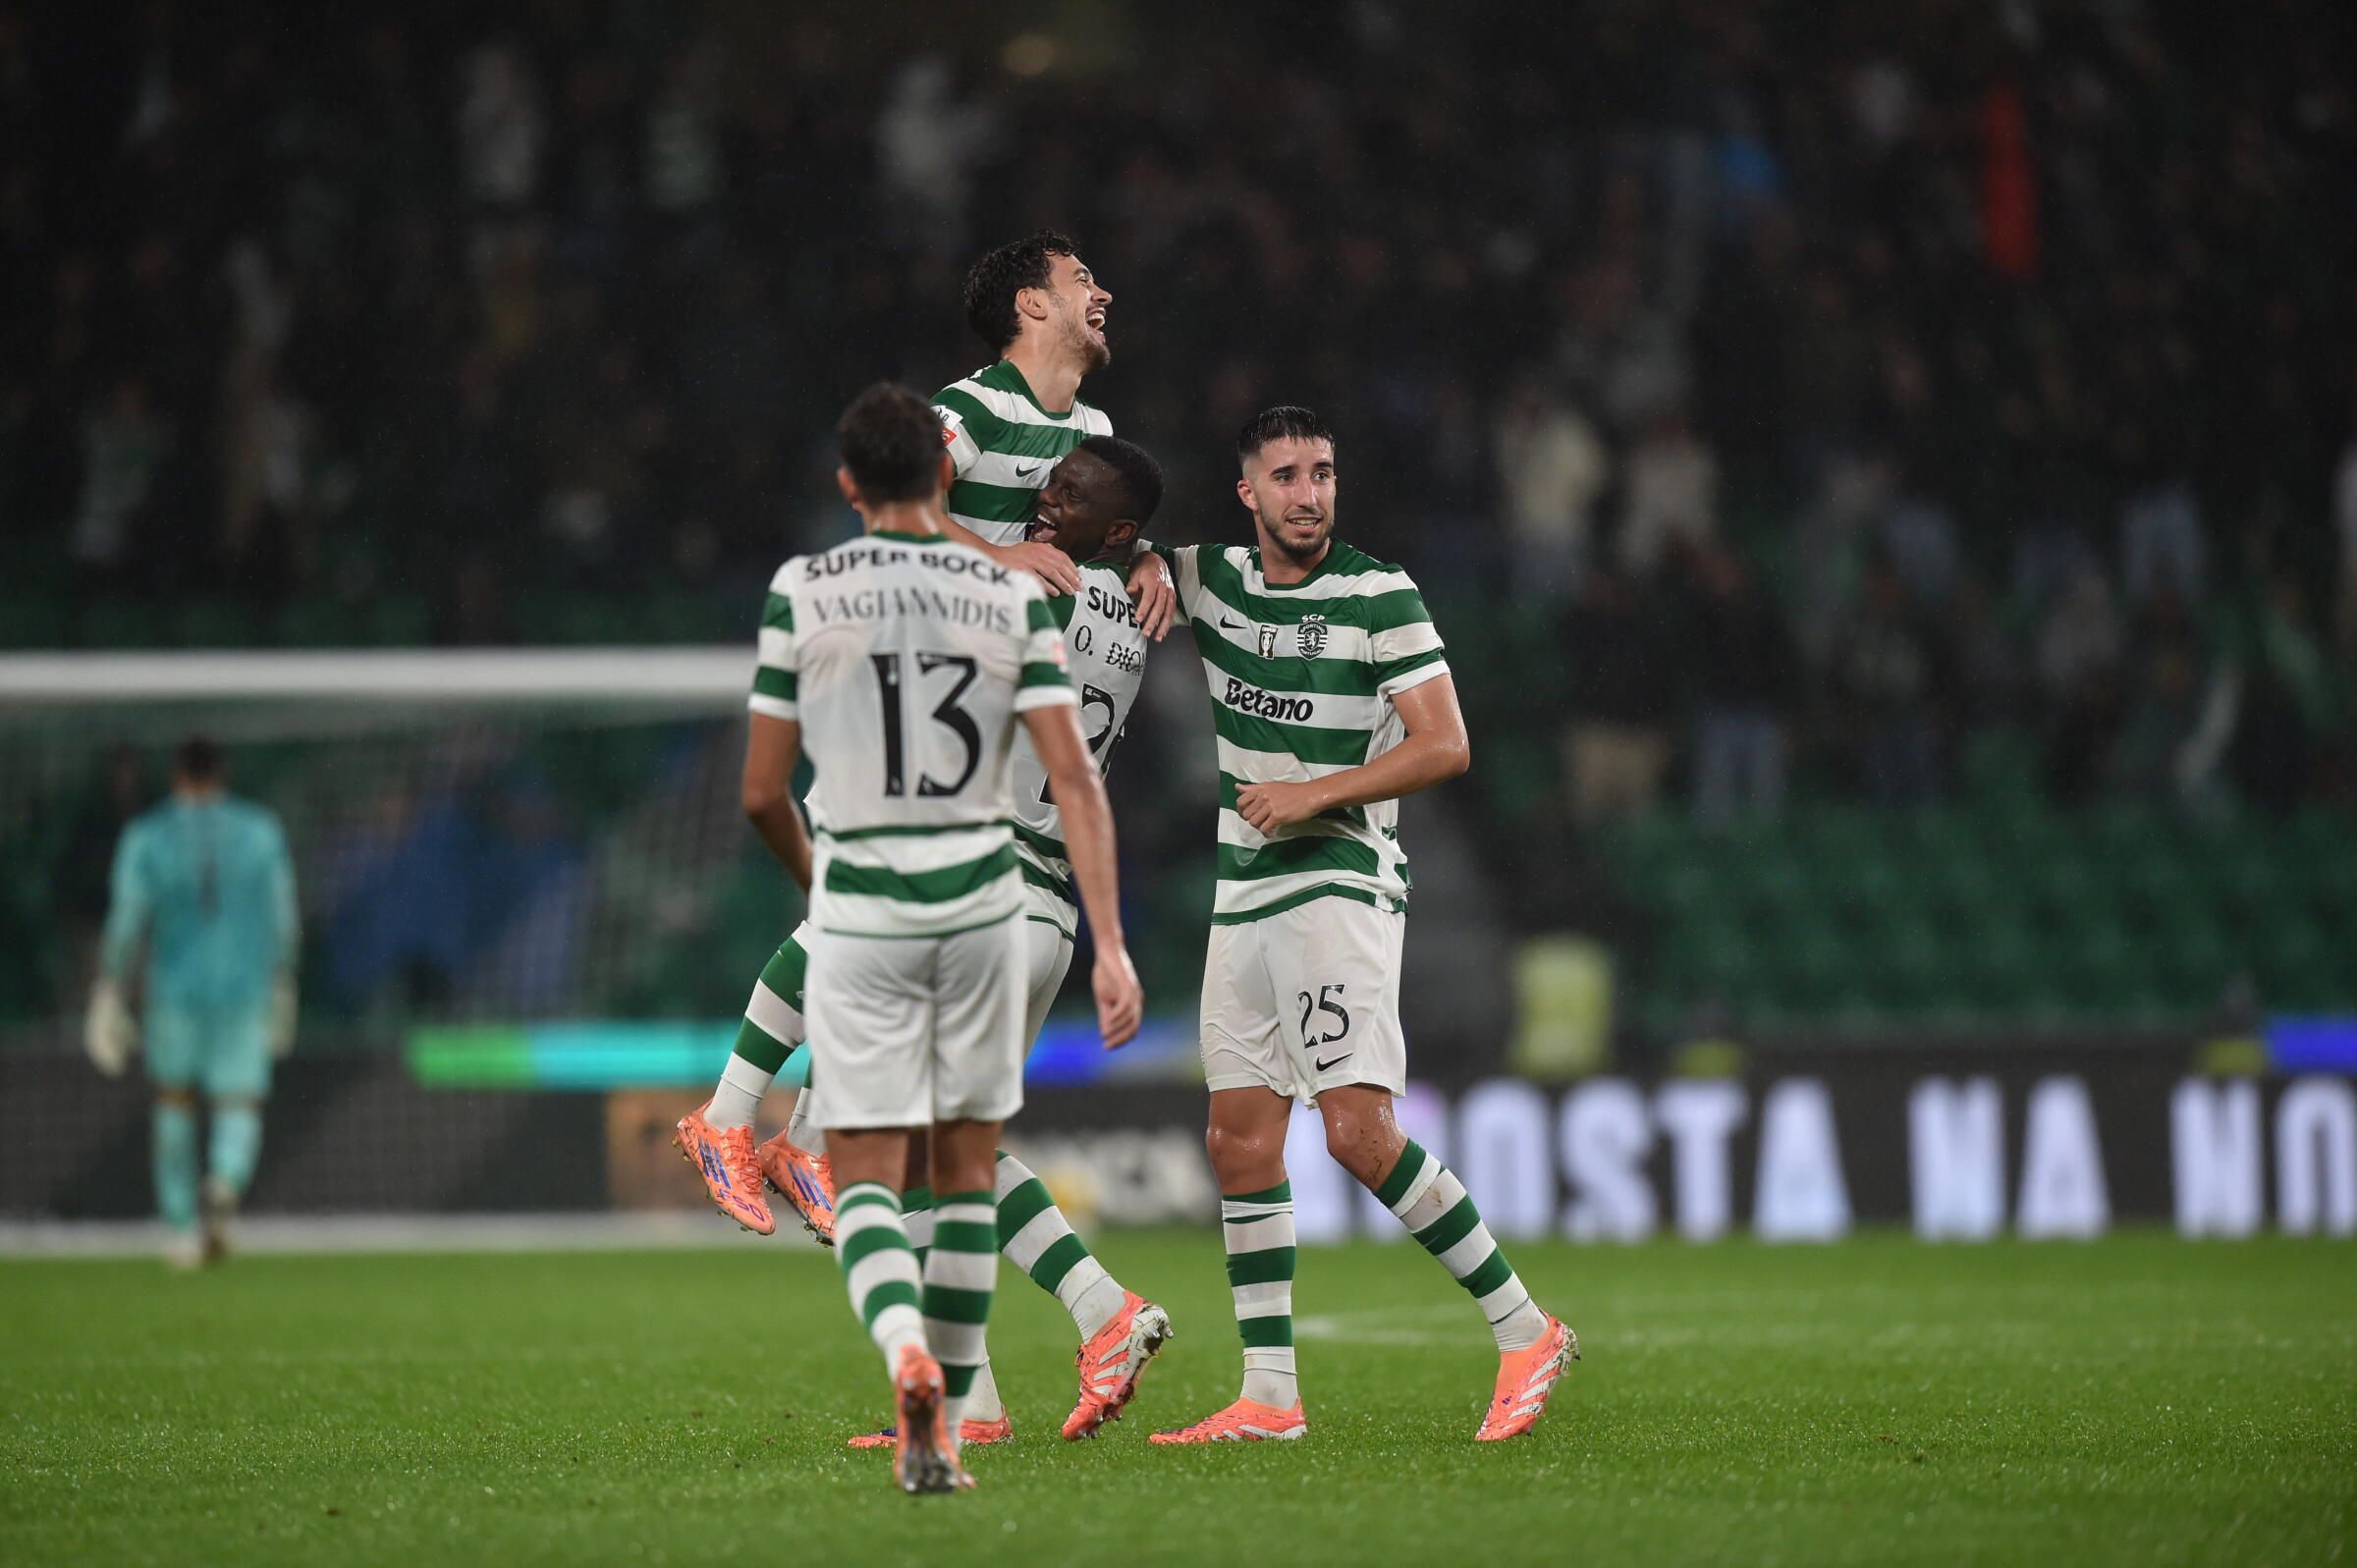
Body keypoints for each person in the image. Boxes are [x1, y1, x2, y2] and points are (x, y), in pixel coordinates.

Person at [1124, 406, 1575, 1445]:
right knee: (1238, 1141)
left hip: (1338, 878)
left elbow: (1446, 743)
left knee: (1356, 1134)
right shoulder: (1216, 579)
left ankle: (1525, 1326)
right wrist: (1146, 563)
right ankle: (1270, 1396)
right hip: (1245, 895)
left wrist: (1319, 792)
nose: (1309, 492)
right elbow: (1123, 550)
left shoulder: (1382, 593)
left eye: (1322, 472)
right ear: (1248, 492)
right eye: (1285, 475)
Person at [679, 230, 1120, 1234]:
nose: (1103, 291)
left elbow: (1103, 524)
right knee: (873, 897)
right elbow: (912, 511)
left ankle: (798, 1135)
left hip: (978, 703)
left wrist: (1138, 561)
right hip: (907, 677)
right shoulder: (971, 408)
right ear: (1031, 307)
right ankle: (730, 1117)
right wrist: (1000, 561)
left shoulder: (1090, 424)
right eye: (1080, 278)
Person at [743, 383, 1142, 1495]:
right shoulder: (1008, 597)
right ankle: (967, 1409)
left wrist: (823, 885)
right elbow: (1074, 779)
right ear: (946, 477)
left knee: (861, 1172)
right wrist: (1113, 944)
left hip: (869, 901)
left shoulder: (809, 589)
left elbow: (762, 791)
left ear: (846, 483)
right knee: (961, 1173)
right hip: (995, 899)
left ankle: (914, 1360)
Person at [85, 738, 299, 1268]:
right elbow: (284, 917)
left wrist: (110, 988)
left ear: (176, 773)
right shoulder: (260, 832)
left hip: (176, 993)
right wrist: (284, 980)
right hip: (244, 989)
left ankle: (181, 1225)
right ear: (222, 772)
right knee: (239, 1102)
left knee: (174, 1102)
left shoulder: (148, 836)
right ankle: (225, 1181)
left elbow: (127, 918)